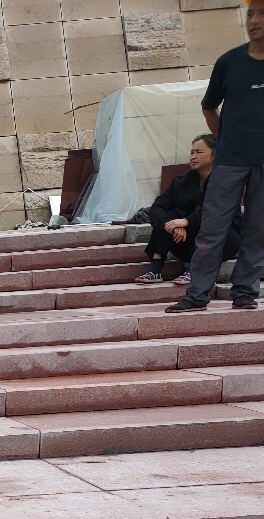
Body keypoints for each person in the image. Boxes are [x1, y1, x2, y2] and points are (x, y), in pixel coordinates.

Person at [166, 0, 264, 312]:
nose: (254, 20)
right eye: (250, 13)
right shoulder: (229, 62)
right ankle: (197, 294)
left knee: (258, 230)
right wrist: (225, 139)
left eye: (262, 13)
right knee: (212, 228)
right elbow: (208, 106)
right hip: (230, 160)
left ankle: (245, 291)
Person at [135, 134, 241, 285]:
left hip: (224, 240)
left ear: (215, 154)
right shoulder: (181, 182)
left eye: (199, 152)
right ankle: (156, 270)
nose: (193, 156)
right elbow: (157, 207)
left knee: (209, 223)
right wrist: (169, 224)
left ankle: (192, 271)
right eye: (192, 152)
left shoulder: (226, 182)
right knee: (167, 217)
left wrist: (186, 221)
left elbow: (217, 211)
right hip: (184, 241)